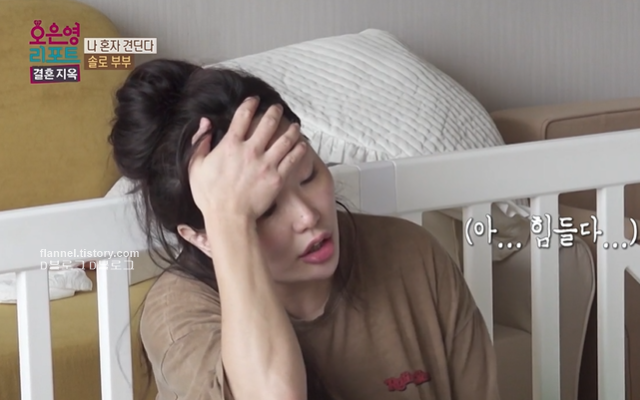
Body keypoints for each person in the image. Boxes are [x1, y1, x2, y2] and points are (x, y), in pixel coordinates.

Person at [109, 59, 501, 400]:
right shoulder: (178, 315)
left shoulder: (411, 253)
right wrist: (229, 219)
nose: (307, 216)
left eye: (309, 175)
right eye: (265, 210)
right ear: (201, 236)